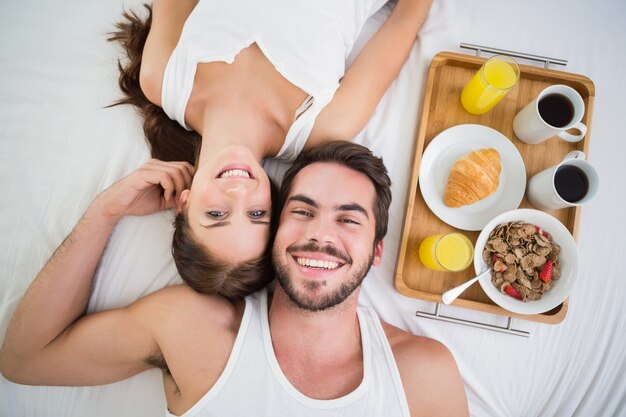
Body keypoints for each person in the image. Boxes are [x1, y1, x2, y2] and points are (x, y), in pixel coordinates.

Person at [0, 141, 469, 416]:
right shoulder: (192, 329)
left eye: (349, 220)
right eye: (302, 212)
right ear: (274, 231)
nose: (319, 236)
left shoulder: (423, 375)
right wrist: (107, 211)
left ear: (376, 253)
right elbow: (24, 360)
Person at [108, 0, 433, 297]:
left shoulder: (161, 79)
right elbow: (408, 16)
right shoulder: (323, 125)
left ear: (184, 202)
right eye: (257, 214)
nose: (238, 192)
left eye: (216, 213)